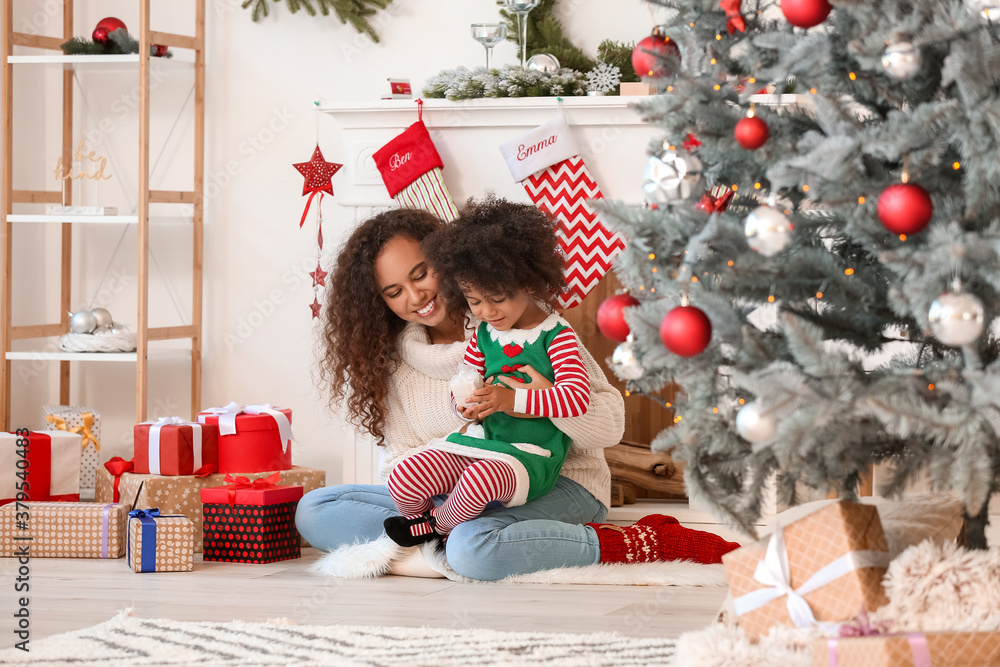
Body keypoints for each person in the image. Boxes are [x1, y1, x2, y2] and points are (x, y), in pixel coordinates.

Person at [297, 200, 739, 581]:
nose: (416, 296)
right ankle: (447, 546)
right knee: (315, 510)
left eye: (422, 273)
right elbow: (401, 460)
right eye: (395, 291)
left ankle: (630, 543)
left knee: (473, 547)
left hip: (556, 482)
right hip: (453, 496)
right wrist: (454, 467)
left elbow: (608, 426)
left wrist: (542, 400)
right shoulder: (392, 361)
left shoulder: (523, 326)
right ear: (382, 301)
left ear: (448, 262)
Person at [381, 201, 591, 547]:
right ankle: (421, 526)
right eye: (474, 301)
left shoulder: (557, 335)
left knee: (478, 481)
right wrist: (462, 403)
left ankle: (441, 528)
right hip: (482, 444)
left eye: (497, 298)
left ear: (530, 284)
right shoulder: (483, 333)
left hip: (531, 455)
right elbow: (467, 376)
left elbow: (576, 397)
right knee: (405, 474)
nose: (488, 311)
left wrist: (512, 399)